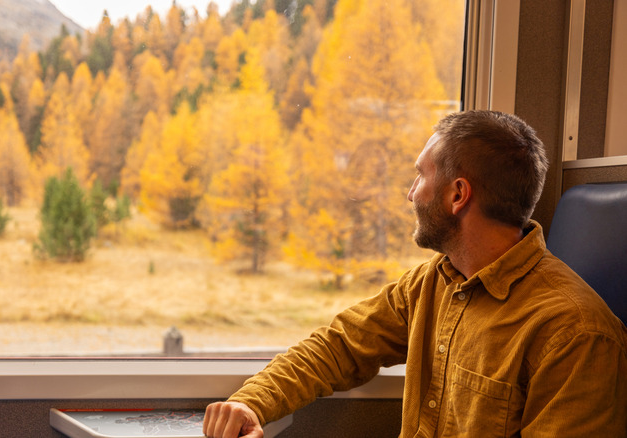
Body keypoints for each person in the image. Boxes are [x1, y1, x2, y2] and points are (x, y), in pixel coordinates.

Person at [202, 110, 627, 438]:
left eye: (420, 176)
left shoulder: (575, 335)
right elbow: (337, 346)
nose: (410, 193)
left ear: (457, 195)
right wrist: (251, 403)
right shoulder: (434, 282)